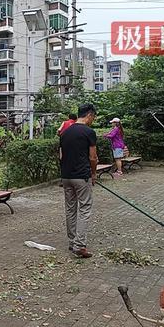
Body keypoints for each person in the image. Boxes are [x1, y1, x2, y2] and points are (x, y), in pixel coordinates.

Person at [59, 104, 98, 258]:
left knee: (70, 209)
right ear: (89, 115)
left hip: (66, 176)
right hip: (82, 176)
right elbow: (93, 157)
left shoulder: (65, 132)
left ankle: (72, 242)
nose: (92, 120)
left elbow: (60, 156)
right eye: (93, 117)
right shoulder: (89, 132)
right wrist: (93, 174)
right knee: (84, 209)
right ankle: (79, 245)